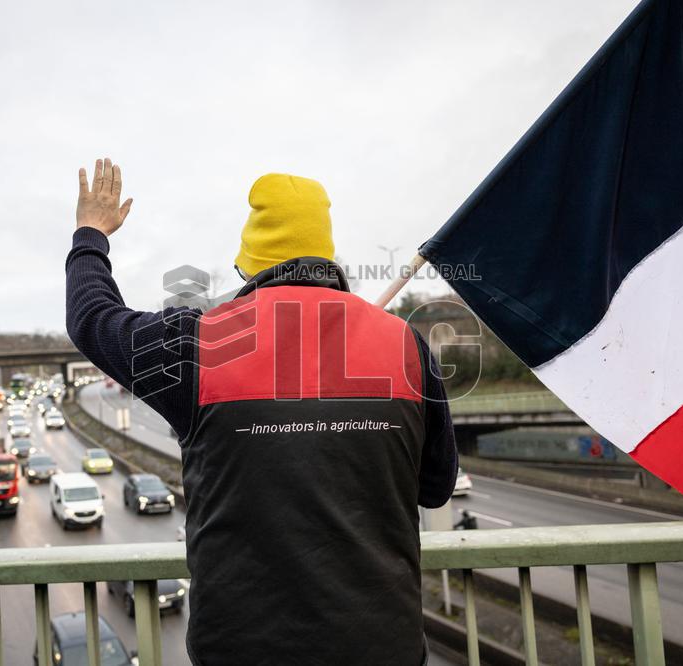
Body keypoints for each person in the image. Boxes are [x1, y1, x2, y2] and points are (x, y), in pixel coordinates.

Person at [66, 158, 457, 665]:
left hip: (242, 649)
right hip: (382, 647)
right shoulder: (405, 345)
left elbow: (92, 317)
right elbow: (435, 486)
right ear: (328, 255)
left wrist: (90, 234)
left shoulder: (198, 343)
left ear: (247, 266)